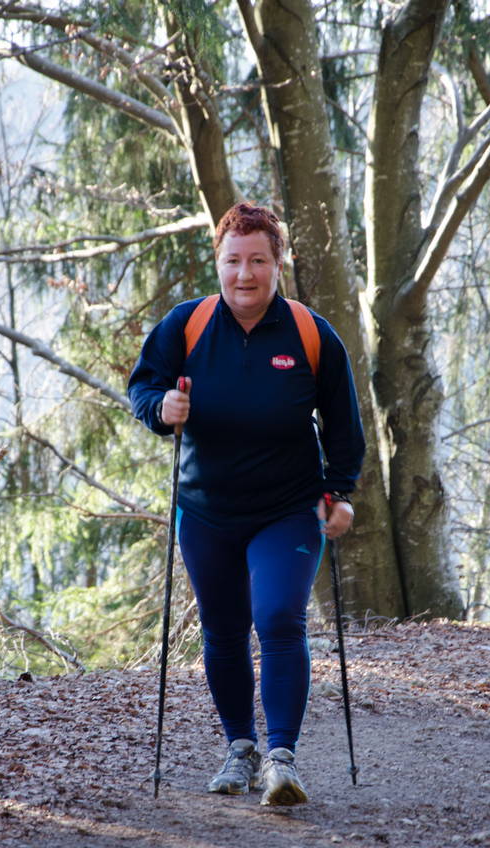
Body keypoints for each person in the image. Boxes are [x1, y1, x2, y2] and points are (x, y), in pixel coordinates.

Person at [128, 202, 365, 806]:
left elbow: (344, 425)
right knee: (224, 629)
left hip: (288, 508)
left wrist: (339, 493)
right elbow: (143, 386)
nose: (245, 274)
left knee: (280, 618)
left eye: (259, 260)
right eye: (234, 260)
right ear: (219, 262)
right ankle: (241, 747)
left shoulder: (310, 334)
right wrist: (161, 408)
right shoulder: (186, 325)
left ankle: (281, 759)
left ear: (278, 263)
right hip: (205, 511)